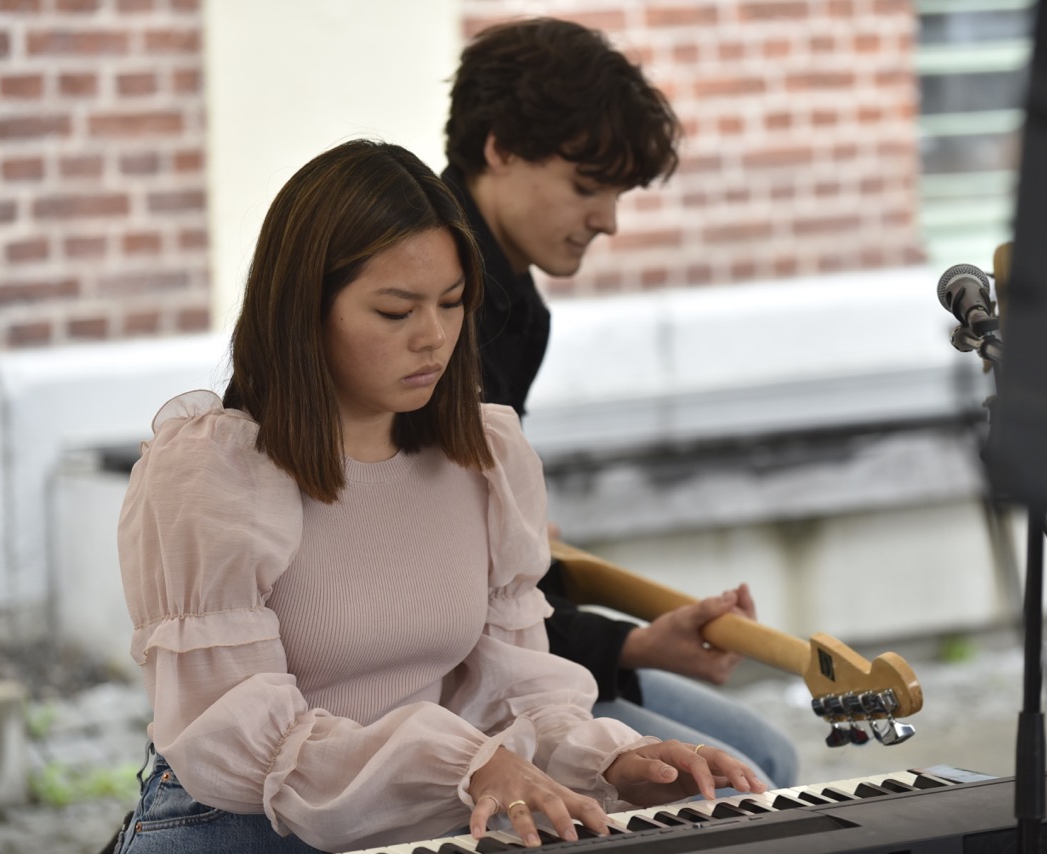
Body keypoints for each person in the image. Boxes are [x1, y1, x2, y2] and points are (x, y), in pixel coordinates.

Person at [110, 139, 765, 854]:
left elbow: (517, 691)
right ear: (304, 312)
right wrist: (467, 764)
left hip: (425, 814)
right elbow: (241, 742)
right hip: (245, 829)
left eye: (452, 304)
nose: (434, 337)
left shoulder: (482, 458)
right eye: (396, 312)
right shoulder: (214, 473)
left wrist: (611, 760)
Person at [442, 17, 799, 789]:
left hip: (516, 642)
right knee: (743, 776)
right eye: (586, 186)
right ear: (500, 148)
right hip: (445, 680)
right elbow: (448, 588)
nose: (608, 219)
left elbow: (494, 556)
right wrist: (632, 644)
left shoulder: (515, 301)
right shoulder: (445, 296)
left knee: (765, 758)